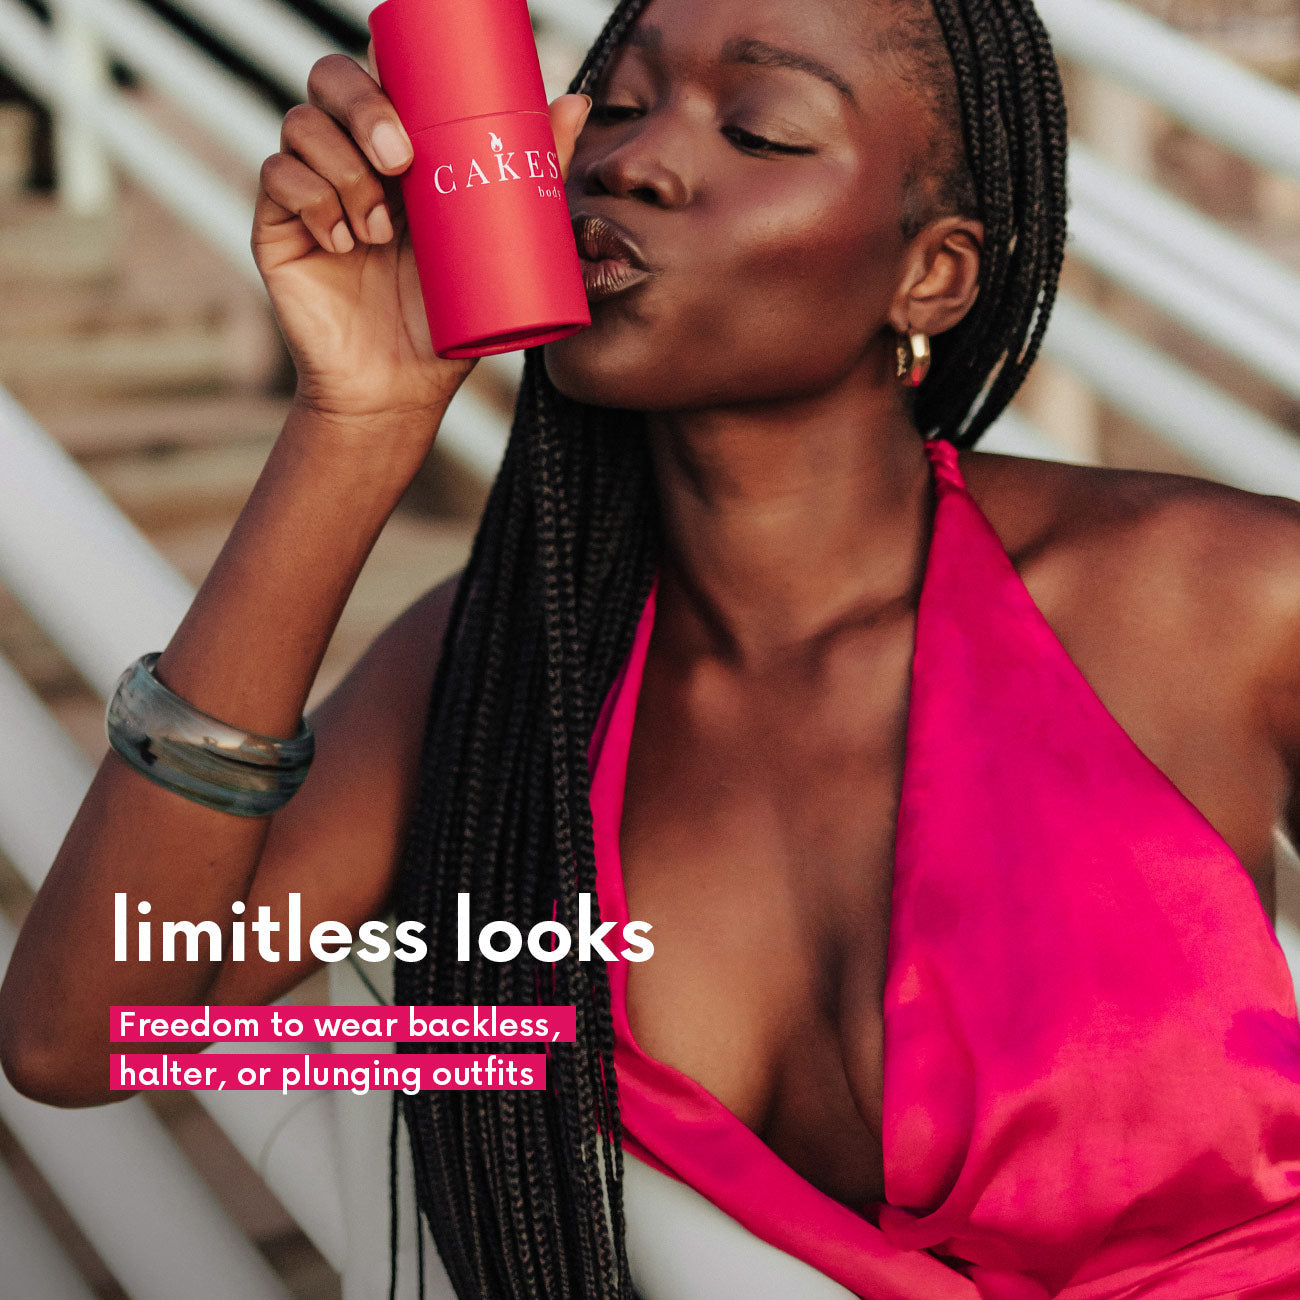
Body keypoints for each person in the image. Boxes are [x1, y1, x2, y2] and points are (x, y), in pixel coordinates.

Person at [2, 0, 1299, 1295]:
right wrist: (355, 424)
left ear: (933, 274)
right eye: (612, 109)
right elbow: (87, 1037)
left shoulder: (1220, 601)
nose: (630, 161)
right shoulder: (507, 672)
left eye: (760, 130)